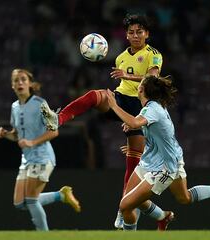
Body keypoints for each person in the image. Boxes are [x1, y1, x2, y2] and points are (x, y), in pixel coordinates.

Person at [43, 13, 163, 229]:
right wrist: (120, 86)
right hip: (120, 99)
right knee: (95, 95)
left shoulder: (153, 54)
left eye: (139, 32)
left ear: (147, 34)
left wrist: (126, 76)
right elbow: (121, 84)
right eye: (131, 32)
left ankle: (123, 209)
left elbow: (153, 79)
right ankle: (58, 118)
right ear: (126, 35)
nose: (135, 35)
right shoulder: (120, 57)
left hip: (140, 106)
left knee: (133, 164)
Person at [105, 75, 210, 231]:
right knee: (183, 198)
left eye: (140, 83)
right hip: (152, 160)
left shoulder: (152, 109)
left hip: (164, 167)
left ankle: (142, 229)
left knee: (126, 205)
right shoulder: (153, 106)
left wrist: (114, 106)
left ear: (140, 89)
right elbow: (147, 126)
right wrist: (134, 125)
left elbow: (137, 122)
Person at [0, 69, 81, 231]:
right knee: (20, 203)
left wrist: (33, 142)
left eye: (23, 79)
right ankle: (60, 195)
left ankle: (43, 235)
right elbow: (18, 136)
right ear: (12, 86)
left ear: (30, 84)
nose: (19, 83)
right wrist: (6, 134)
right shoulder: (14, 107)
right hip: (27, 160)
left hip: (43, 157)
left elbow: (54, 131)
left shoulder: (40, 104)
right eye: (16, 80)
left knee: (31, 200)